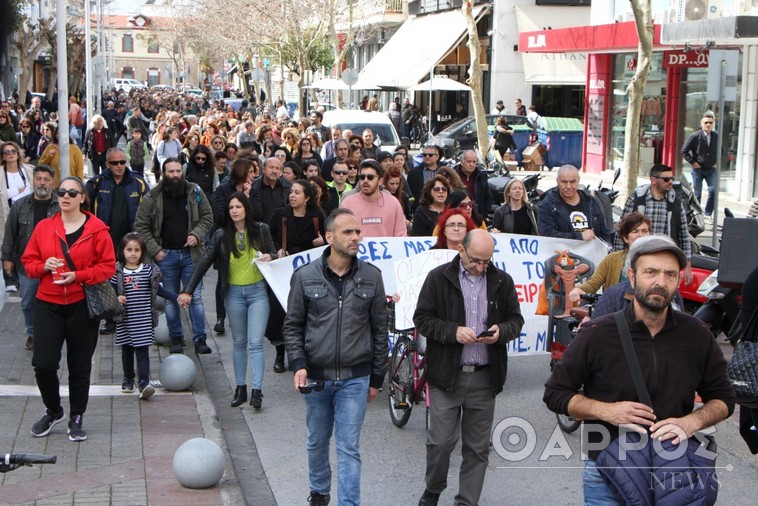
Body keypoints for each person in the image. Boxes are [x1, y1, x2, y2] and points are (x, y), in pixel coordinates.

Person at [543, 235, 734, 505]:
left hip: (671, 472)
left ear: (678, 281)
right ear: (632, 277)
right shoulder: (598, 333)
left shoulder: (697, 335)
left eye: (669, 274)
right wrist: (607, 411)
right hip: (607, 469)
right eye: (651, 272)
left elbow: (724, 399)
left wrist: (691, 422)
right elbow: (555, 393)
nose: (660, 282)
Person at [283, 208, 388, 506]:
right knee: (317, 441)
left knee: (349, 448)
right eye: (348, 232)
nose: (356, 237)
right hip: (316, 378)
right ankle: (319, 491)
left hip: (356, 379)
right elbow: (292, 326)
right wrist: (298, 365)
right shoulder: (304, 277)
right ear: (329, 237)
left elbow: (381, 330)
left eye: (358, 232)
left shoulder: (372, 276)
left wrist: (377, 377)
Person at [414, 229, 524, 506]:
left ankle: (466, 501)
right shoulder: (439, 277)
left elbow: (516, 319)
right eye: (476, 260)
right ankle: (434, 487)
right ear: (460, 250)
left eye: (486, 261)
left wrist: (502, 331)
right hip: (446, 375)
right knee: (440, 443)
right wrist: (453, 332)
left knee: (477, 448)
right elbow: (423, 319)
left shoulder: (501, 280)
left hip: (485, 377)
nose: (481, 267)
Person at [22, 176, 116, 442]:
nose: (65, 196)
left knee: (79, 365)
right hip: (48, 302)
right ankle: (53, 410)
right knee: (43, 363)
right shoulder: (44, 227)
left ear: (82, 198)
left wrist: (78, 275)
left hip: (81, 304)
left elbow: (107, 267)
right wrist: (44, 266)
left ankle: (77, 416)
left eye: (72, 193)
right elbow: (28, 262)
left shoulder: (97, 229)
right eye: (61, 192)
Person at [180, 193, 276, 408]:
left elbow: (273, 253)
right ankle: (240, 387)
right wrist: (188, 290)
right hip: (233, 294)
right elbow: (205, 262)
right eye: (231, 207)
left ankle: (257, 391)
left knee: (256, 343)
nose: (234, 210)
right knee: (239, 343)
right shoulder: (221, 235)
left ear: (246, 209)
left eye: (238, 206)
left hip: (258, 292)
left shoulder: (261, 229)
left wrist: (271, 256)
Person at [134, 158, 214, 355]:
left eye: (178, 171)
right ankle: (176, 337)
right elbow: (141, 226)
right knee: (171, 299)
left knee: (195, 297)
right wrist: (155, 250)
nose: (176, 175)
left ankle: (200, 339)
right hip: (165, 255)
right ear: (163, 174)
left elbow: (208, 217)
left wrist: (197, 234)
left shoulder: (194, 191)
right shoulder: (153, 196)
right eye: (171, 171)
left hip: (191, 254)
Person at [2, 165, 60, 350]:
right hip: (27, 265)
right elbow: (10, 234)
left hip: (56, 264)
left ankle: (51, 334)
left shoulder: (61, 205)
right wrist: (7, 259)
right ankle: (33, 333)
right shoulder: (20, 205)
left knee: (54, 303)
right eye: (38, 178)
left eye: (46, 179)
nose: (42, 182)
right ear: (33, 181)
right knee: (27, 303)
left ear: (52, 182)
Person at [111, 233, 175, 400]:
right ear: (122, 251)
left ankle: (144, 382)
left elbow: (159, 291)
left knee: (142, 351)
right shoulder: (117, 271)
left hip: (143, 319)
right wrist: (116, 297)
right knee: (126, 350)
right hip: (125, 319)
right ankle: (128, 379)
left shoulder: (149, 271)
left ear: (143, 252)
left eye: (137, 250)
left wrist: (177, 297)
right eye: (129, 250)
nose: (133, 253)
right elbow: (108, 291)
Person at [614, 164, 693, 284]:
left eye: (672, 178)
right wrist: (618, 260)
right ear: (653, 180)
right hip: (638, 257)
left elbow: (684, 235)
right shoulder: (636, 199)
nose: (670, 182)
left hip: (663, 258)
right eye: (666, 179)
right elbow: (622, 229)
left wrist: (687, 266)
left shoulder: (676, 203)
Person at [569, 212, 651, 304]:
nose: (641, 235)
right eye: (635, 231)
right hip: (614, 310)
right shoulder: (612, 259)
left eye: (645, 231)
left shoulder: (657, 261)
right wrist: (578, 289)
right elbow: (593, 283)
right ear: (625, 238)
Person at [539, 164, 610, 241]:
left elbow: (604, 233)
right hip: (561, 252)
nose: (568, 186)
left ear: (578, 181)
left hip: (592, 251)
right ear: (557, 181)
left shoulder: (591, 202)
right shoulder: (548, 205)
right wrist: (579, 236)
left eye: (573, 182)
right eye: (564, 182)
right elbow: (547, 234)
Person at [341, 160, 407, 237]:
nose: (365, 180)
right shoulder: (347, 203)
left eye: (370, 177)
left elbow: (401, 235)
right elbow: (340, 234)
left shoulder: (393, 203)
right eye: (362, 177)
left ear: (380, 181)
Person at [681, 114, 719, 220]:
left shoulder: (716, 136)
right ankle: (697, 214)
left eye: (710, 123)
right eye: (706, 122)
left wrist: (717, 162)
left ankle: (707, 213)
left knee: (713, 190)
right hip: (698, 169)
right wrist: (693, 162)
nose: (708, 125)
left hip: (711, 169)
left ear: (713, 124)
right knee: (697, 193)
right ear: (702, 124)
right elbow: (684, 151)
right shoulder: (695, 136)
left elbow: (722, 151)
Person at [252, 156, 292, 225]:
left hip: (281, 231)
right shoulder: (253, 186)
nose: (274, 171)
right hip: (259, 231)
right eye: (271, 167)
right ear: (263, 169)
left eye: (277, 168)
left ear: (281, 172)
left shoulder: (287, 187)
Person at [454, 150, 492, 222]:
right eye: (469, 161)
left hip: (476, 218)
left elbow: (488, 198)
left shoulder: (481, 176)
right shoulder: (453, 174)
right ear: (462, 162)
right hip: (456, 217)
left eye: (474, 162)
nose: (472, 164)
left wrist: (482, 215)